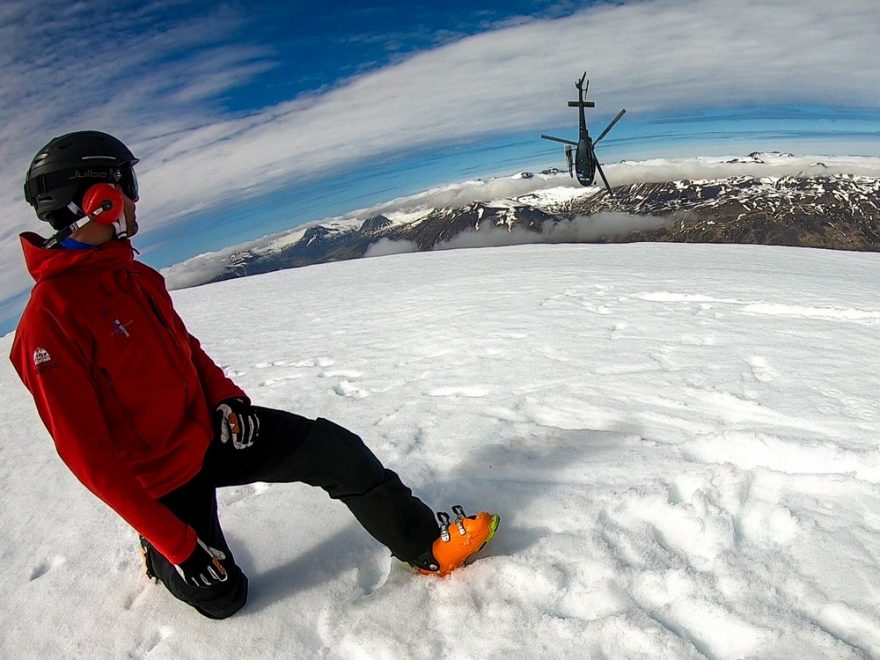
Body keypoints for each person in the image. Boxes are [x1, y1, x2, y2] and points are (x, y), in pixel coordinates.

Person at [11, 130, 499, 619]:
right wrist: (177, 546)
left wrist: (227, 400)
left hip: (210, 432)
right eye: (128, 184)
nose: (136, 199)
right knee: (224, 597)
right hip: (161, 480)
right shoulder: (48, 324)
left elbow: (187, 351)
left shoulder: (137, 278)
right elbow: (90, 460)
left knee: (335, 450)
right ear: (100, 199)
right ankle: (155, 554)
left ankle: (425, 547)